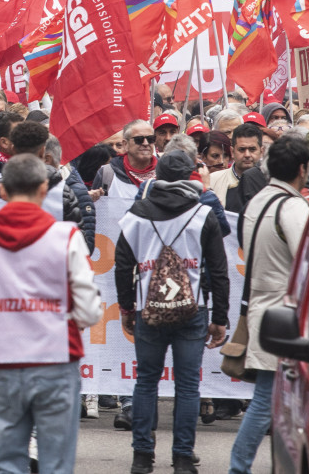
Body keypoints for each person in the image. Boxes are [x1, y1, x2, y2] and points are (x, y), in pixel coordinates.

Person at [0, 154, 103, 474]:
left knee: (8, 462)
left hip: (1, 364)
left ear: (4, 191)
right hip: (56, 363)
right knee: (55, 463)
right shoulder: (67, 237)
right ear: (42, 189)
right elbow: (90, 312)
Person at [114, 151, 229, 474]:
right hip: (193, 311)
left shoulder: (137, 213)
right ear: (192, 176)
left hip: (148, 310)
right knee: (189, 385)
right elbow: (218, 272)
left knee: (146, 382)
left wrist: (127, 307)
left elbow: (122, 265)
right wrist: (219, 318)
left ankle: (141, 457)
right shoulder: (203, 214)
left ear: (159, 175)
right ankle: (181, 458)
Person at [226, 137, 309, 474]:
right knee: (265, 401)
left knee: (273, 403)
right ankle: (238, 468)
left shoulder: (259, 200)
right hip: (283, 315)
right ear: (302, 170)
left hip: (264, 309)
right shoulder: (291, 206)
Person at [209, 122, 267, 215]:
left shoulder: (270, 181)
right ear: (232, 151)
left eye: (252, 149)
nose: (247, 155)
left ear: (261, 151)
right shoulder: (213, 180)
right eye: (242, 149)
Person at [94, 119, 157, 199]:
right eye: (139, 139)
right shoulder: (107, 173)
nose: (145, 143)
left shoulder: (165, 171)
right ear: (125, 144)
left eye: (150, 139)